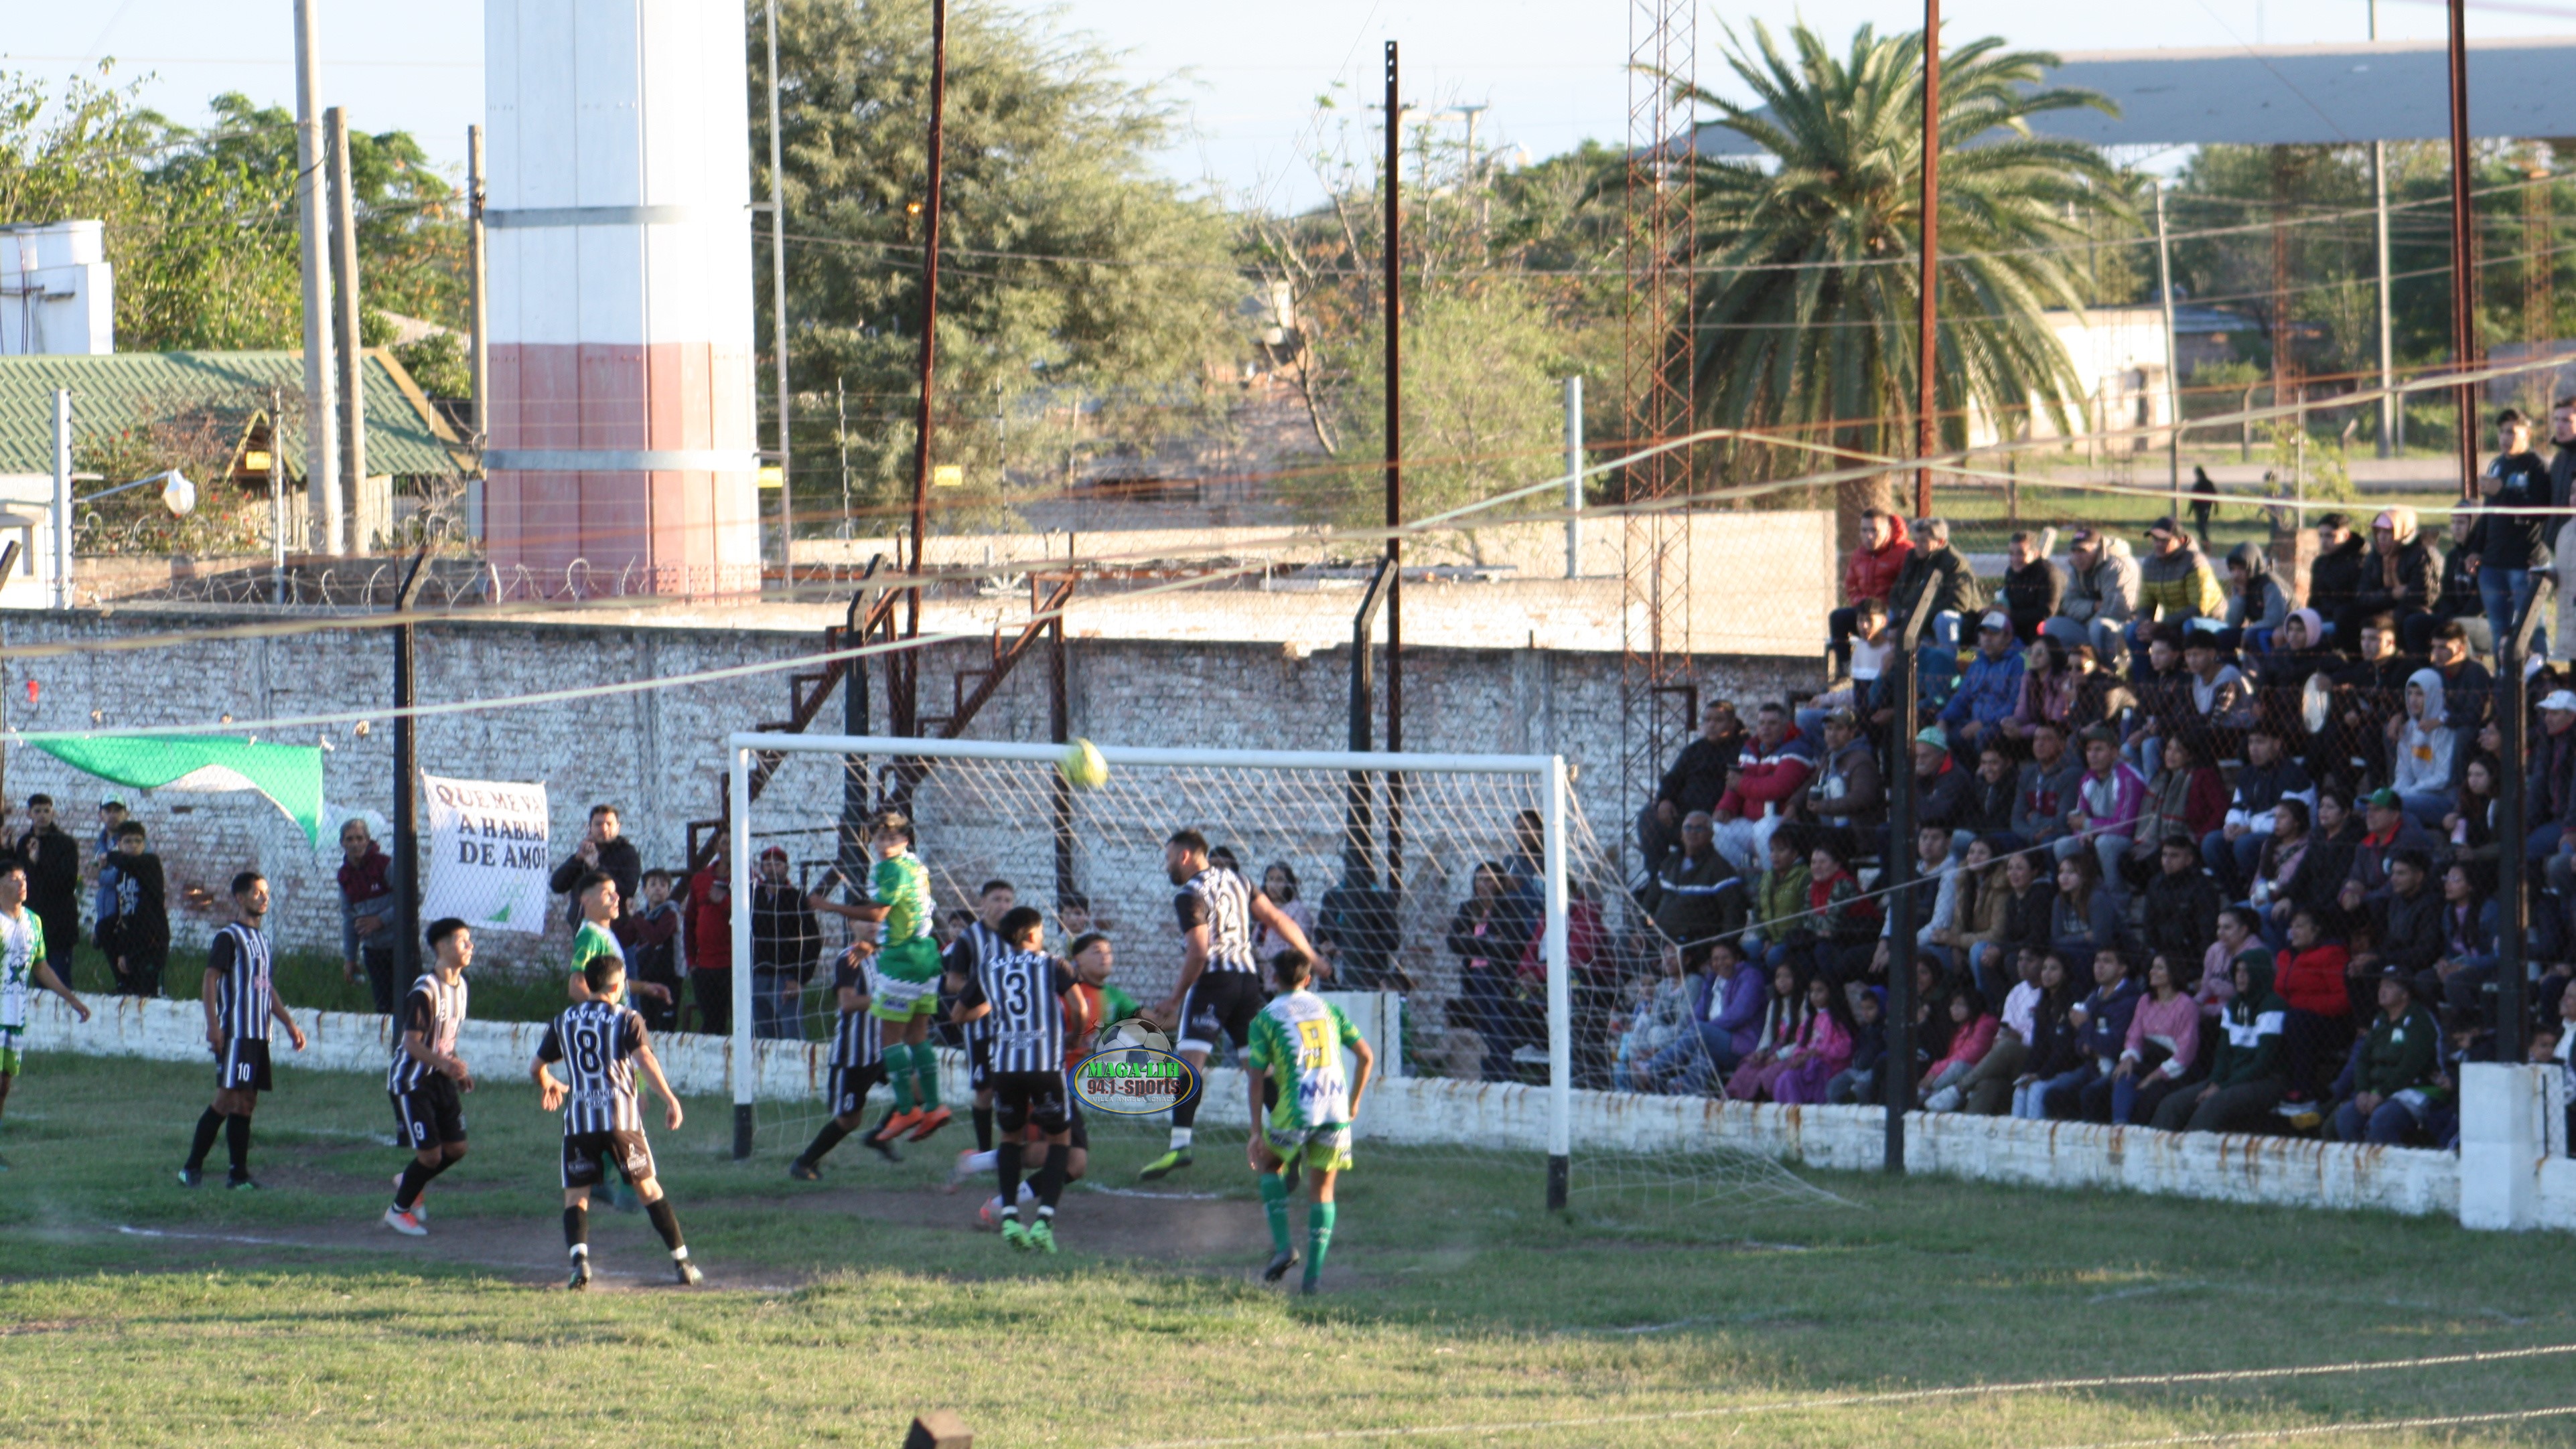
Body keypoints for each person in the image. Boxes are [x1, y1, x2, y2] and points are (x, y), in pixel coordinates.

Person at [1143, 830, 1316, 1180]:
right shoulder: (1241, 880)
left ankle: (1180, 1146)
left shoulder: (1189, 894)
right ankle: (1291, 1142)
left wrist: (1176, 997)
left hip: (1212, 983)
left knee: (1189, 1063)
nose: (1167, 865)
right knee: (1258, 1067)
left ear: (1186, 856)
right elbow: (1280, 921)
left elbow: (1199, 951)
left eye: (1169, 857)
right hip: (1247, 982)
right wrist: (1313, 958)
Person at [534, 951, 700, 1289]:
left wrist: (548, 1082)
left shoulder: (564, 1020)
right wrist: (670, 1098)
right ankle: (682, 1263)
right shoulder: (627, 1018)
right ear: (616, 986)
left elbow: (536, 1065)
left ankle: (579, 1263)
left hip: (580, 1122)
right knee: (649, 1189)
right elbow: (646, 1061)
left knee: (576, 1196)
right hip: (621, 1119)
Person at [946, 905, 1078, 1253]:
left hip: (1005, 1068)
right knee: (1061, 1143)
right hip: (1044, 1065)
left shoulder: (990, 969)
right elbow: (1078, 1008)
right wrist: (1074, 1036)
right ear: (1034, 934)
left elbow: (959, 1014)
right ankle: (1043, 1223)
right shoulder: (1053, 964)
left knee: (1009, 1139)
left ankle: (1008, 1218)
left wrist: (993, 1007)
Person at [813, 814, 951, 1142]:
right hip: (926, 954)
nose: (886, 845)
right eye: (881, 838)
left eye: (893, 838)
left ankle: (907, 1112)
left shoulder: (889, 869)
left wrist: (827, 906)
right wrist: (874, 942)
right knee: (918, 1035)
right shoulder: (917, 866)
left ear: (906, 840)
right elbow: (907, 915)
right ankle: (933, 1106)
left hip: (901, 960)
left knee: (890, 1039)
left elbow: (878, 913)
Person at [1244, 946, 1373, 1294]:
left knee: (1269, 1166)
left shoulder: (1265, 1018)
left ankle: (1284, 1247)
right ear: (1308, 979)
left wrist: (1256, 1130)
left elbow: (1256, 1078)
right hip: (1334, 1109)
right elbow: (1366, 1055)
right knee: (1323, 1190)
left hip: (1296, 1108)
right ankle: (1313, 1277)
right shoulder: (1330, 1010)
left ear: (1272, 978)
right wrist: (1354, 1101)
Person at [180, 872, 307, 1190]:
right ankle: (191, 1168)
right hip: (235, 1031)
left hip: (258, 1034)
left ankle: (238, 1174)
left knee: (247, 1102)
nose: (264, 898)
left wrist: (289, 1023)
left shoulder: (263, 941)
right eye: (257, 893)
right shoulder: (229, 937)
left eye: (266, 893)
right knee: (226, 1099)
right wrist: (213, 1025)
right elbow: (210, 979)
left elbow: (265, 988)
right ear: (241, 898)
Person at [380, 917, 475, 1237]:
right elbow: (410, 1043)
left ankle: (409, 1181)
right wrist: (444, 1065)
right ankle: (398, 1211)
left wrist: (456, 1068)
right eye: (463, 941)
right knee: (430, 1154)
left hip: (439, 1077)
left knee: (457, 1148)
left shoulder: (461, 987)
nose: (470, 947)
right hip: (412, 1081)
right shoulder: (426, 990)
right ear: (443, 946)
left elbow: (446, 1041)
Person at [787, 934, 904, 1180]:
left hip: (880, 1049)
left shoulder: (882, 956)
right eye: (867, 919)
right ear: (853, 922)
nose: (875, 925)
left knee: (920, 1083)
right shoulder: (848, 957)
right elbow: (847, 1002)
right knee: (849, 1121)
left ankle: (878, 1135)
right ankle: (804, 1162)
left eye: (878, 919)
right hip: (853, 1056)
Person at [0, 858, 88, 1167]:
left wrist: (71, 999)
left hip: (14, 1013)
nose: (22, 883)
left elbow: (41, 966)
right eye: (13, 878)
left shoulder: (33, 922)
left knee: (5, 1082)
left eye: (23, 878)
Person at [2463, 408, 2553, 657]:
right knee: (2499, 630)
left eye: (2512, 432)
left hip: (2523, 563)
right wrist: (2475, 549)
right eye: (2502, 432)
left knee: (2532, 628)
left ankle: (2539, 681)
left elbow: (2540, 510)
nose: (2505, 438)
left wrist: (2502, 490)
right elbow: (2490, 513)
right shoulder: (2497, 464)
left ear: (2527, 434)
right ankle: (2505, 684)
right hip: (2492, 565)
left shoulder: (2536, 466)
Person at [2329, 965, 2443, 1146]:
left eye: (2389, 986)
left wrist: (2381, 1094)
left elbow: (2410, 1067)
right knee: (2347, 1117)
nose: (2382, 991)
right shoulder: (2380, 1020)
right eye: (2381, 986)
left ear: (2405, 994)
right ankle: (2361, 1171)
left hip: (2416, 1091)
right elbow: (2363, 1059)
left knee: (2383, 1120)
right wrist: (2362, 1091)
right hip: (2381, 1091)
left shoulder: (2420, 1020)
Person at [2202, 725, 2313, 900]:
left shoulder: (2294, 776)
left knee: (2244, 845)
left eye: (2260, 742)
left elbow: (2288, 820)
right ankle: (2238, 900)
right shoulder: (2247, 774)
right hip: (2250, 831)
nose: (2253, 748)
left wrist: (2249, 828)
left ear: (2277, 744)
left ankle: (2261, 896)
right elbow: (2238, 806)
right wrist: (2232, 825)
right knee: (2212, 842)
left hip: (2284, 837)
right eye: (2251, 742)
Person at [1711, 703, 1816, 872]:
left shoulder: (1798, 748)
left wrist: (1741, 783)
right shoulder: (1751, 748)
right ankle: (1741, 879)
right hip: (1750, 821)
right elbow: (1733, 785)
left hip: (1783, 821)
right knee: (1717, 829)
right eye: (1761, 723)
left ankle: (1772, 882)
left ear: (1785, 726)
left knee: (1763, 830)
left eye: (1772, 723)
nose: (1766, 728)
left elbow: (1777, 787)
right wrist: (1726, 808)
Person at [1640, 701, 1747, 864]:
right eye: (1707, 720)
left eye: (1719, 720)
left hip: (1719, 817)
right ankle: (1658, 880)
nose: (1712, 725)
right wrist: (1664, 800)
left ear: (1732, 724)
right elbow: (1673, 778)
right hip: (1684, 814)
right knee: (1649, 816)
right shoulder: (1695, 750)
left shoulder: (1744, 750)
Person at [2273, 907, 2352, 1108]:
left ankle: (2303, 1088)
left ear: (2316, 930)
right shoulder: (2285, 956)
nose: (2293, 932)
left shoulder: (2332, 954)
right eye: (2291, 927)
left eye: (2299, 926)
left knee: (2296, 1020)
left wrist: (2296, 1007)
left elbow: (2343, 1000)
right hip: (2293, 1018)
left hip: (2330, 1025)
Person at [2108, 955, 2202, 1126]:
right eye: (2152, 967)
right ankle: (2119, 1127)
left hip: (2174, 1070)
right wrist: (2129, 1058)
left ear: (2173, 973)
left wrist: (2154, 1077)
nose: (2153, 972)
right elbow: (2134, 1036)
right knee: (2124, 1076)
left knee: (2150, 1094)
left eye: (2159, 968)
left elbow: (2185, 1053)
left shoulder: (2187, 1005)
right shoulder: (2145, 1001)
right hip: (2148, 1060)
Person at [748, 846, 820, 1041]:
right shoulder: (753, 897)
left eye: (777, 864)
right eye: (768, 865)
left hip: (786, 978)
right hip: (758, 976)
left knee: (792, 1035)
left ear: (786, 868)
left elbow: (812, 941)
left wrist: (799, 978)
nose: (772, 869)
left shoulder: (796, 899)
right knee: (762, 1036)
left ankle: (798, 1070)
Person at [1647, 812, 1743, 951]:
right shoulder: (1669, 863)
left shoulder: (1720, 869)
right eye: (1688, 828)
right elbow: (1649, 902)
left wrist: (1722, 947)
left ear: (1711, 835)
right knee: (1622, 940)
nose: (1692, 832)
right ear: (1681, 834)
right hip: (1658, 937)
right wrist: (1641, 930)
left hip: (1692, 945)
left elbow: (1734, 913)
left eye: (1699, 829)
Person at [2062, 726, 2147, 884]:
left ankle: (2118, 899)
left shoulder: (2128, 778)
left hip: (2131, 840)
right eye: (2089, 750)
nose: (2092, 755)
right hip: (2100, 833)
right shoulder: (2087, 778)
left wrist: (2088, 825)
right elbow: (2079, 818)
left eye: (2099, 750)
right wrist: (2082, 832)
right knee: (2063, 845)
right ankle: (2081, 894)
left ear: (2114, 752)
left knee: (2105, 843)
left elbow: (2125, 826)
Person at [96, 820, 169, 1000]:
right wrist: (121, 951)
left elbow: (127, 861)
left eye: (138, 841)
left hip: (151, 937)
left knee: (145, 994)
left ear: (144, 844)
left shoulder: (150, 862)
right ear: (119, 844)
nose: (134, 845)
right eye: (128, 841)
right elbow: (123, 909)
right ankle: (123, 984)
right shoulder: (123, 871)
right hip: (131, 932)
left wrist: (108, 856)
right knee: (105, 927)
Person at [1941, 612, 2027, 764]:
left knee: (1983, 736)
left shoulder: (2018, 662)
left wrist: (1983, 723)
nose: (1987, 638)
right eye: (1984, 633)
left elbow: (2015, 705)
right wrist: (1944, 719)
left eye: (1994, 634)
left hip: (2000, 726)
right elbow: (1962, 697)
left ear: (2008, 637)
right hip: (1974, 721)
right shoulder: (1977, 664)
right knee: (1944, 734)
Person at [1832, 509, 1912, 673]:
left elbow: (1907, 589)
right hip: (1866, 611)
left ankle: (1891, 671)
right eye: (1864, 530)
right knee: (1838, 618)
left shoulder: (1905, 552)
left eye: (1874, 531)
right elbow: (1851, 586)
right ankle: (1845, 670)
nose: (1869, 536)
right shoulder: (1859, 554)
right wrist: (1863, 606)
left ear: (1888, 531)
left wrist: (1884, 609)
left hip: (1891, 613)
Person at [336, 818, 401, 1014]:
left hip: (399, 947)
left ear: (368, 840)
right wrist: (350, 958)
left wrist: (380, 920)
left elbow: (410, 899)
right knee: (383, 1007)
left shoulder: (384, 865)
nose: (355, 844)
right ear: (342, 843)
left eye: (359, 838)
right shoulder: (345, 875)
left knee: (407, 1005)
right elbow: (349, 919)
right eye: (350, 839)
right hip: (373, 950)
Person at [1887, 516, 1984, 647]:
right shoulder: (1912, 557)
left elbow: (1959, 602)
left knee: (1943, 619)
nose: (1918, 546)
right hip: (1917, 614)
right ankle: (1896, 662)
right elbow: (1896, 592)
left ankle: (1946, 660)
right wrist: (1901, 611)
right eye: (1915, 540)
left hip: (1961, 619)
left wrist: (1918, 615)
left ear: (1941, 541)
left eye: (1923, 541)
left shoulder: (1954, 562)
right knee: (1890, 614)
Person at [15, 794, 79, 986]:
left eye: (46, 810)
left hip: (60, 919)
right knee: (39, 977)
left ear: (53, 813)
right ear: (29, 814)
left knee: (60, 977)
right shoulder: (25, 842)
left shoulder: (65, 843)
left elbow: (67, 882)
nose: (42, 815)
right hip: (33, 916)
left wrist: (38, 862)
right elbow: (17, 876)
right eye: (37, 811)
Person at [1802, 708, 1885, 854]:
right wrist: (1792, 805)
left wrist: (1822, 807)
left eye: (1839, 729)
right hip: (1829, 827)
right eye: (1829, 729)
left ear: (1852, 732)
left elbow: (1861, 798)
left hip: (1856, 834)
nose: (1832, 734)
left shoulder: (1861, 760)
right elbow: (1811, 783)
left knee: (1835, 783)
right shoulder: (1828, 757)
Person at [2010, 952, 2082, 1119]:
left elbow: (2066, 1051)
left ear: (2065, 973)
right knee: (2021, 1089)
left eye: (2054, 969)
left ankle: (2036, 1139)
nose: (2047, 974)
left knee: (2037, 1089)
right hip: (2047, 1071)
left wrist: (2040, 1075)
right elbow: (2038, 1047)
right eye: (2044, 969)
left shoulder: (2073, 1003)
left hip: (2069, 1070)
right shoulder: (2044, 1004)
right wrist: (2028, 1072)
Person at [1769, 971, 1857, 1105]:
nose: (1814, 996)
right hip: (1809, 1066)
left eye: (1820, 991)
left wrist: (1818, 1051)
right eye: (1812, 991)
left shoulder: (1837, 1019)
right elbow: (1801, 1045)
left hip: (1829, 1068)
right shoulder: (1810, 1020)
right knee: (1787, 1078)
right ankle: (1794, 1116)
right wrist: (1801, 1057)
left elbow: (1845, 1048)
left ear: (1831, 992)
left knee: (1814, 1072)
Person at [548, 804, 642, 929]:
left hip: (615, 928)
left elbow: (629, 890)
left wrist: (597, 867)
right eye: (598, 824)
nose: (604, 828)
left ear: (618, 828)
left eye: (609, 824)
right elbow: (557, 885)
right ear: (589, 828)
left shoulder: (628, 853)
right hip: (582, 927)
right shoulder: (583, 854)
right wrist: (577, 859)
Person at [616, 869, 685, 1034]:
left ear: (669, 891)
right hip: (646, 977)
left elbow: (657, 937)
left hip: (669, 977)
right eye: (653, 885)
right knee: (649, 1024)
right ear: (644, 890)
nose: (658, 889)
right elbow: (625, 939)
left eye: (663, 885)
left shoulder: (671, 913)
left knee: (665, 1024)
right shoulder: (641, 915)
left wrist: (636, 918)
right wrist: (624, 915)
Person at [2056, 527, 2140, 661]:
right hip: (2091, 624)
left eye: (2083, 551)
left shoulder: (2117, 567)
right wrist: (2093, 606)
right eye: (2074, 551)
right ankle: (2073, 671)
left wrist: (2084, 611)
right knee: (2053, 626)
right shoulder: (2078, 567)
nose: (2077, 556)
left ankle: (2108, 672)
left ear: (2098, 550)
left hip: (2125, 627)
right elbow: (2067, 603)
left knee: (2099, 627)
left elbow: (2116, 611)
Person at [2142, 834, 2222, 967]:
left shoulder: (2203, 888)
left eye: (2174, 856)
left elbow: (2207, 932)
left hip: (2191, 956)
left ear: (2189, 859)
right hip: (2161, 955)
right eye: (2164, 855)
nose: (2167, 860)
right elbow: (2148, 926)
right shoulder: (2156, 884)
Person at [681, 840, 733, 1037]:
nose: (729, 847)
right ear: (718, 848)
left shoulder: (749, 878)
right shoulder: (701, 879)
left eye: (733, 842)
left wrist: (724, 902)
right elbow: (690, 922)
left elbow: (752, 918)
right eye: (725, 843)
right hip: (704, 966)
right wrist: (691, 961)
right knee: (712, 1023)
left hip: (733, 966)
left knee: (742, 1022)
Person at [1918, 987, 2000, 1112]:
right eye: (1953, 1004)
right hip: (1961, 1072)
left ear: (1972, 1005)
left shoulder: (1986, 1023)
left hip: (1978, 1069)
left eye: (1960, 1005)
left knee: (1958, 1066)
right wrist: (1935, 1071)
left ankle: (1928, 1092)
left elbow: (1972, 1054)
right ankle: (1928, 1094)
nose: (1954, 1009)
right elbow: (1952, 1056)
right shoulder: (1961, 1029)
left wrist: (1936, 1071)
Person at [2011, 720, 2082, 854]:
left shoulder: (2072, 774)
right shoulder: (2028, 773)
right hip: (2032, 834)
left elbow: (2063, 822)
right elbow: (2016, 819)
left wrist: (2033, 818)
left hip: (2058, 836)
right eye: (2036, 739)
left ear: (2062, 744)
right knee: (1992, 842)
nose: (2040, 744)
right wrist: (2032, 835)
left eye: (2047, 739)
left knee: (2048, 842)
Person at [2306, 513, 2370, 639]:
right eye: (2321, 536)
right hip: (2321, 615)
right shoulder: (2320, 563)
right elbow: (2315, 598)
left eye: (2330, 536)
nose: (2324, 541)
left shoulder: (2360, 563)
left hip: (2344, 620)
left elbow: (2357, 601)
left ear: (2346, 536)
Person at [1999, 530, 2066, 643]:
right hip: (2022, 623)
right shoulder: (2011, 573)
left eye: (2021, 553)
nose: (2015, 559)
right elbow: (2009, 601)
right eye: (2011, 553)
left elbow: (2047, 612)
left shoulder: (2048, 574)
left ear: (2036, 554)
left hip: (2052, 627)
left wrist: (2011, 614)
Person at [2223, 542, 2290, 652]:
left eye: (2241, 568)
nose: (2236, 574)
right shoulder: (2241, 584)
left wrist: (2249, 630)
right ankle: (2233, 668)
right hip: (2259, 628)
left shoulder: (2269, 584)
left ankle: (2264, 668)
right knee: (2224, 636)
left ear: (2252, 566)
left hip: (2286, 629)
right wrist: (2240, 596)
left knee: (2253, 636)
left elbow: (2274, 619)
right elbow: (2233, 623)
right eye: (2233, 569)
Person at [1255, 863, 1316, 962]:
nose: (1273, 885)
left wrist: (1260, 954)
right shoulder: (1266, 910)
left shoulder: (1298, 910)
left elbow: (1298, 946)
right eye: (1270, 879)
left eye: (1279, 880)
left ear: (1289, 884)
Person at [2189, 465, 2220, 546]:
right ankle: (2204, 539)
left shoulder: (2204, 484)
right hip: (2200, 507)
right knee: (2201, 524)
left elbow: (2214, 495)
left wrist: (2216, 507)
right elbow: (2193, 498)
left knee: (2202, 524)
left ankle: (2205, 540)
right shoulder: (2200, 484)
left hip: (2204, 507)